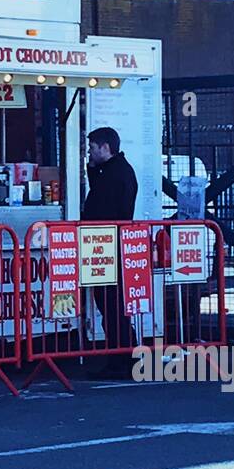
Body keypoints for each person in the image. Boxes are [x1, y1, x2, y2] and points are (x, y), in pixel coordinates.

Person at [82, 126, 138, 354]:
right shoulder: (117, 171)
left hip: (107, 245)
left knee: (110, 304)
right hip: (108, 244)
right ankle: (124, 353)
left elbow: (101, 205)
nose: (89, 152)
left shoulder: (116, 174)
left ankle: (120, 356)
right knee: (111, 305)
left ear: (105, 147)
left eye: (92, 148)